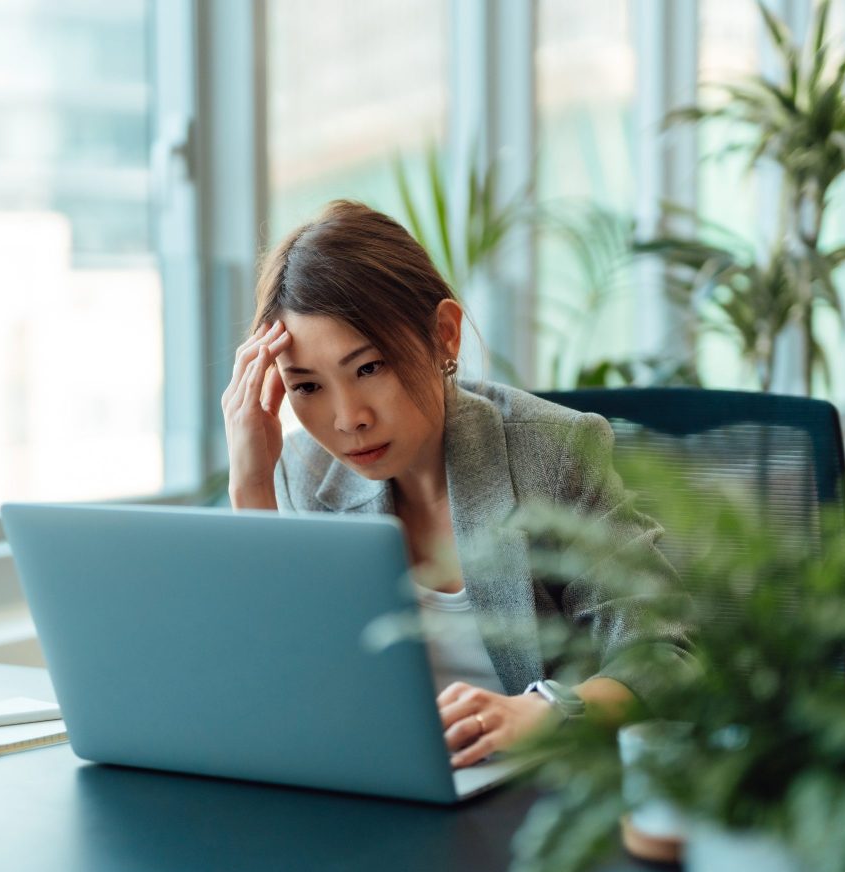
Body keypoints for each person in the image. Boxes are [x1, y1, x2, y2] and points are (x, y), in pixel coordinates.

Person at [221, 199, 693, 769]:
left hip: (541, 800)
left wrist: (544, 712)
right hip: (381, 793)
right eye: (308, 387)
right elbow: (279, 687)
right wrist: (250, 487)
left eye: (369, 368)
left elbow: (665, 655)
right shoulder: (300, 472)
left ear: (444, 335)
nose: (348, 419)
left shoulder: (552, 451)